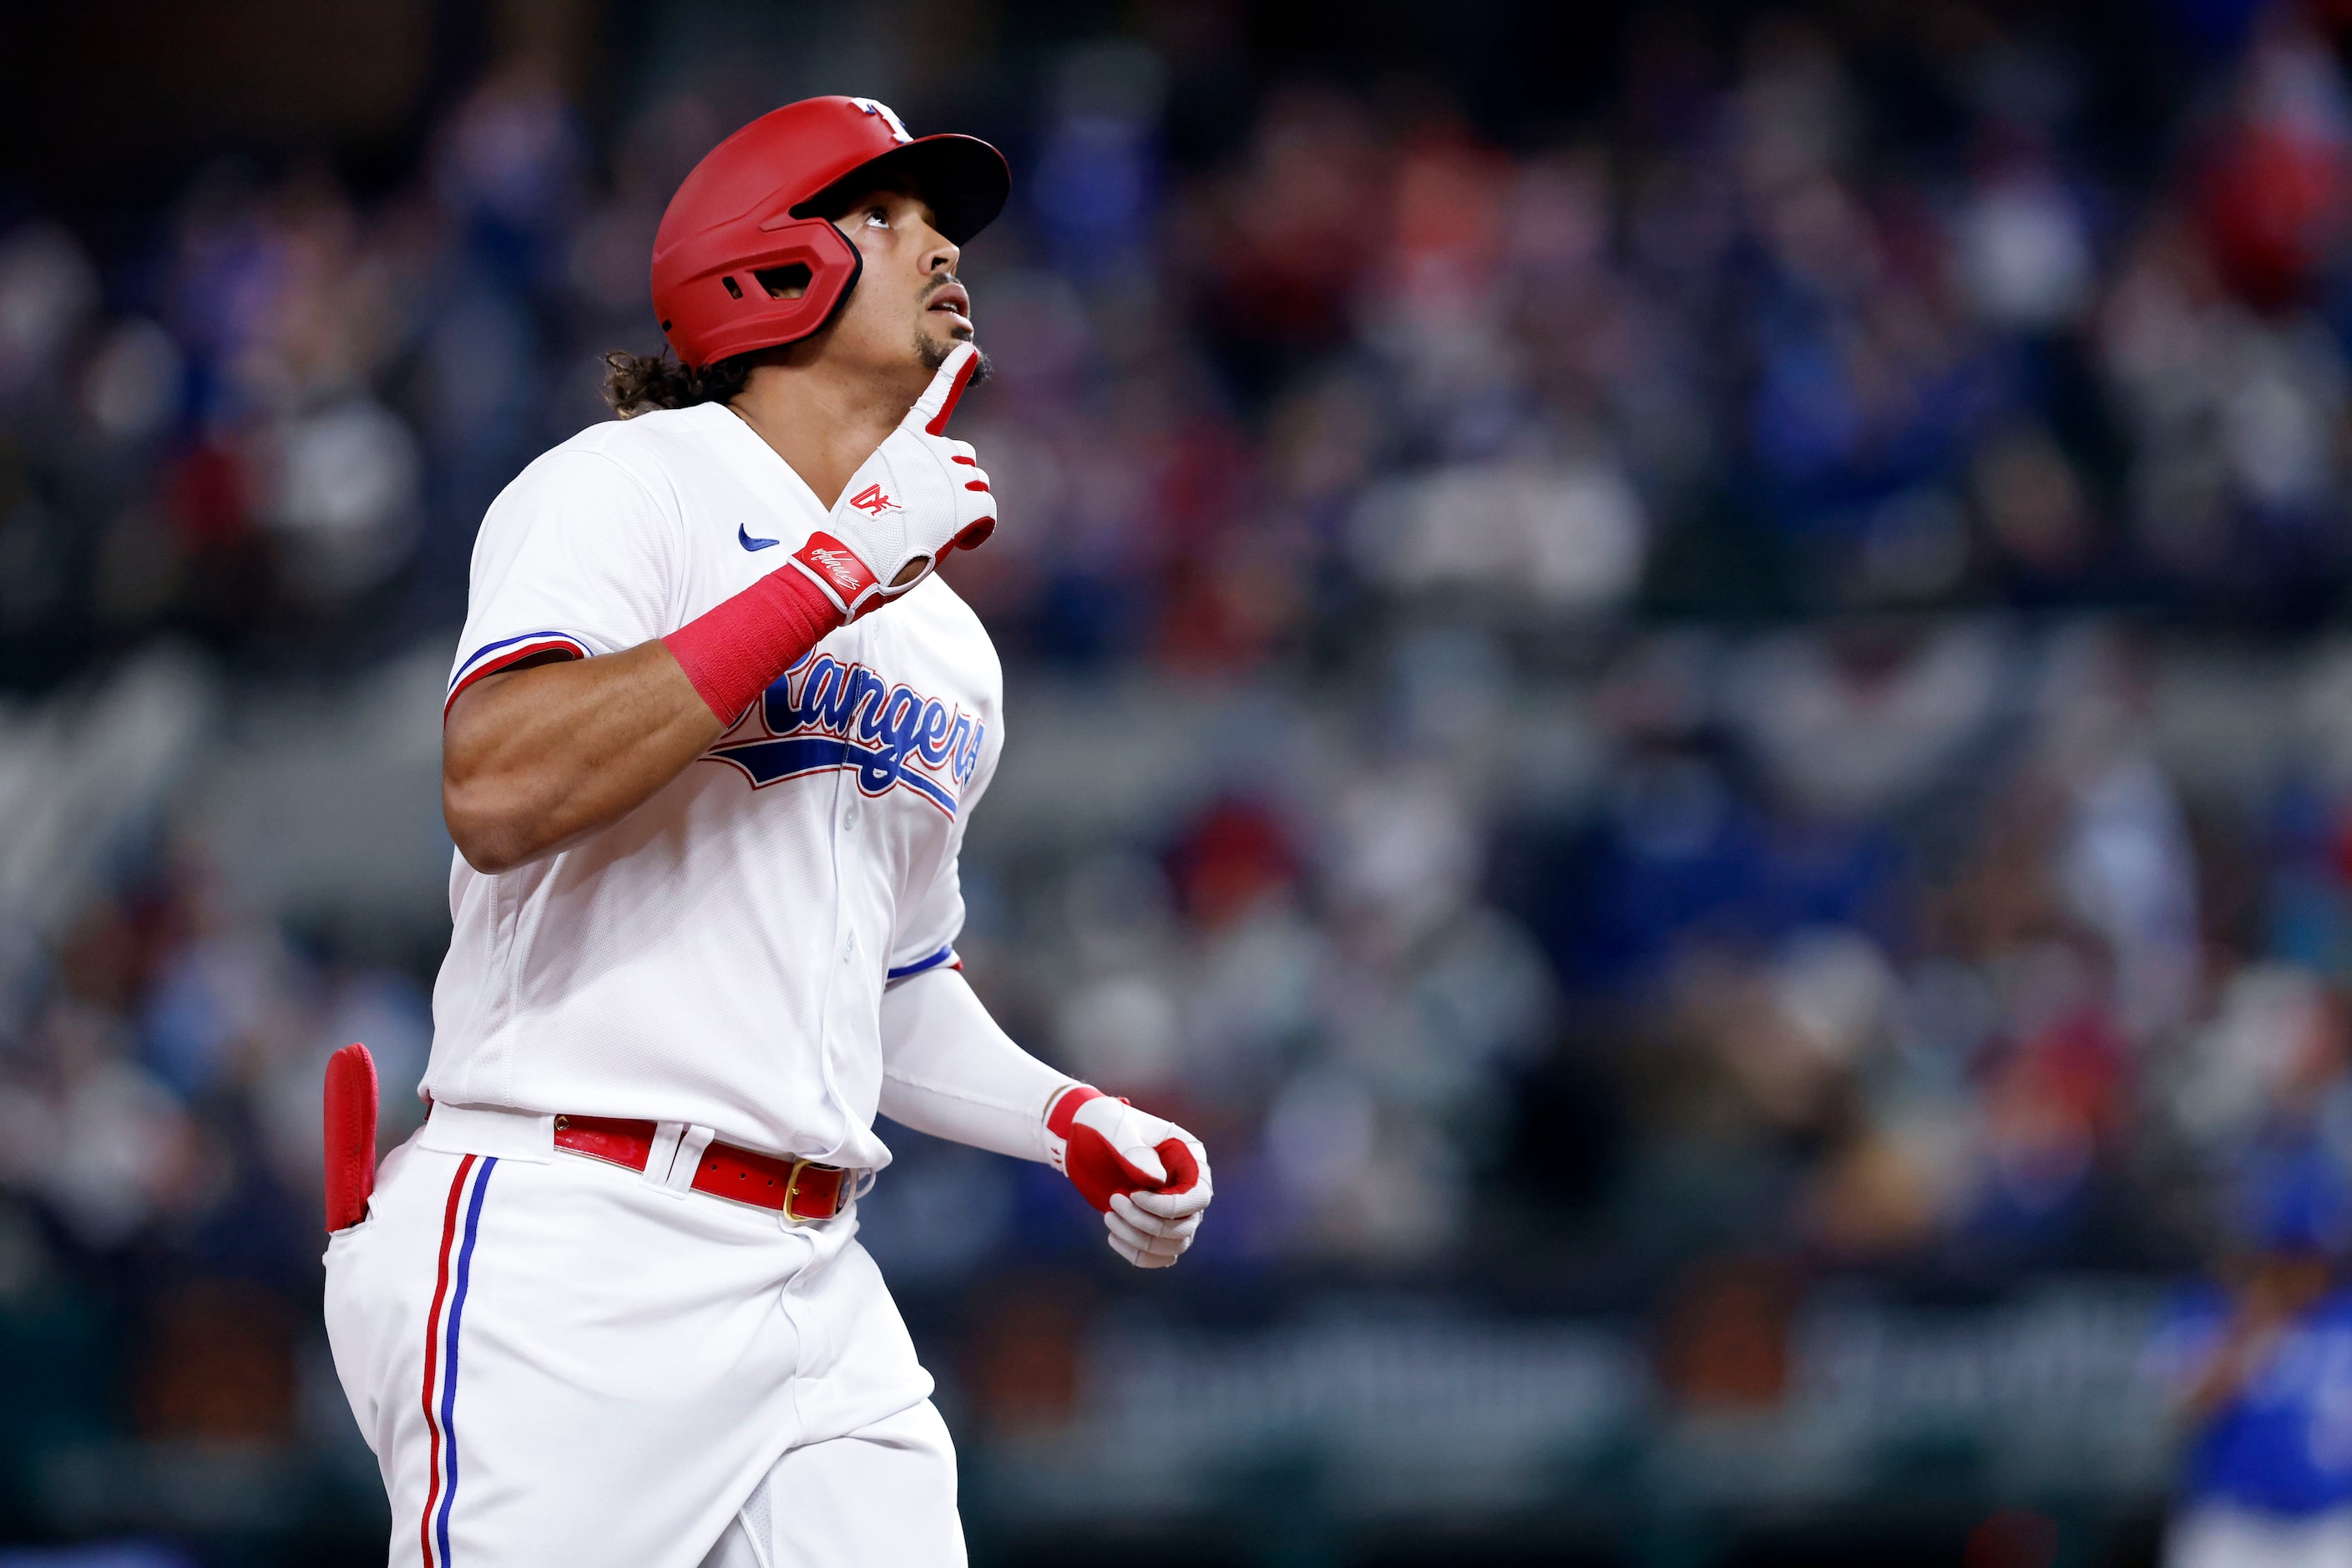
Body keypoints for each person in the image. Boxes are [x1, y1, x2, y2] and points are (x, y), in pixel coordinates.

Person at [321, 95, 1213, 1568]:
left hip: (811, 1272)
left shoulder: (944, 639)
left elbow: (894, 984)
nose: (939, 253)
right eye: (888, 216)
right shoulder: (627, 483)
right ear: (767, 261)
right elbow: (494, 788)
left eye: (941, 226)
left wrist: (1066, 1117)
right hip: (571, 1233)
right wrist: (834, 570)